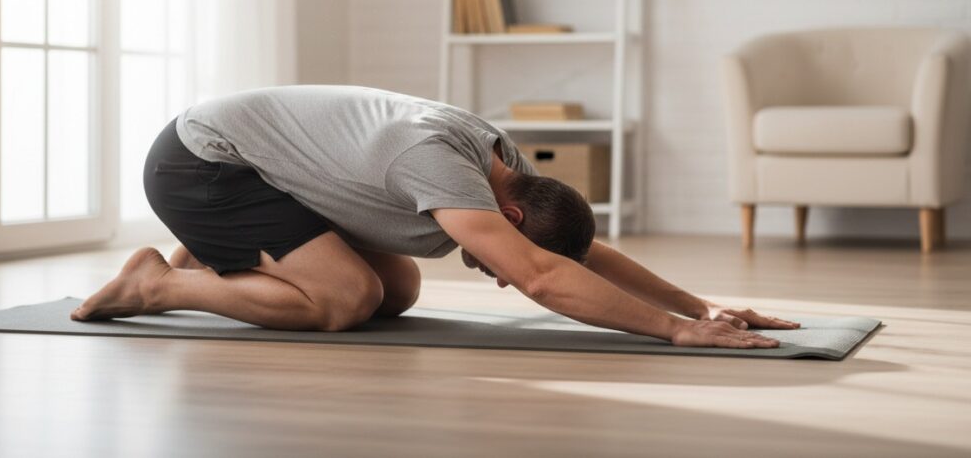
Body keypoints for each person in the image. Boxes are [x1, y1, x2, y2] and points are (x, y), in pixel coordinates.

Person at [72, 85, 798, 348]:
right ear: (509, 212)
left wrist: (698, 306)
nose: (505, 281)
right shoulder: (441, 166)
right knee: (346, 299)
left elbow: (565, 256)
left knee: (400, 291)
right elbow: (544, 277)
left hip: (260, 165)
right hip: (200, 164)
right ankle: (156, 284)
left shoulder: (506, 164)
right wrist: (675, 334)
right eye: (505, 262)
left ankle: (205, 254)